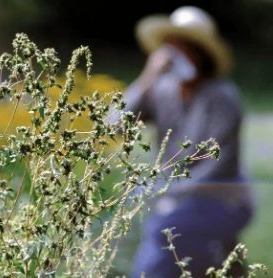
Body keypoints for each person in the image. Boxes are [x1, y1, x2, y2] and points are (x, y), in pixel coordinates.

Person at [109, 6, 255, 278]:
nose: (175, 55)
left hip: (222, 198)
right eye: (170, 48)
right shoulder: (163, 90)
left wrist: (168, 196)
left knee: (165, 232)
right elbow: (113, 127)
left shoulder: (222, 97)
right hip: (177, 198)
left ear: (202, 54)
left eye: (184, 47)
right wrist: (147, 78)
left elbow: (217, 169)